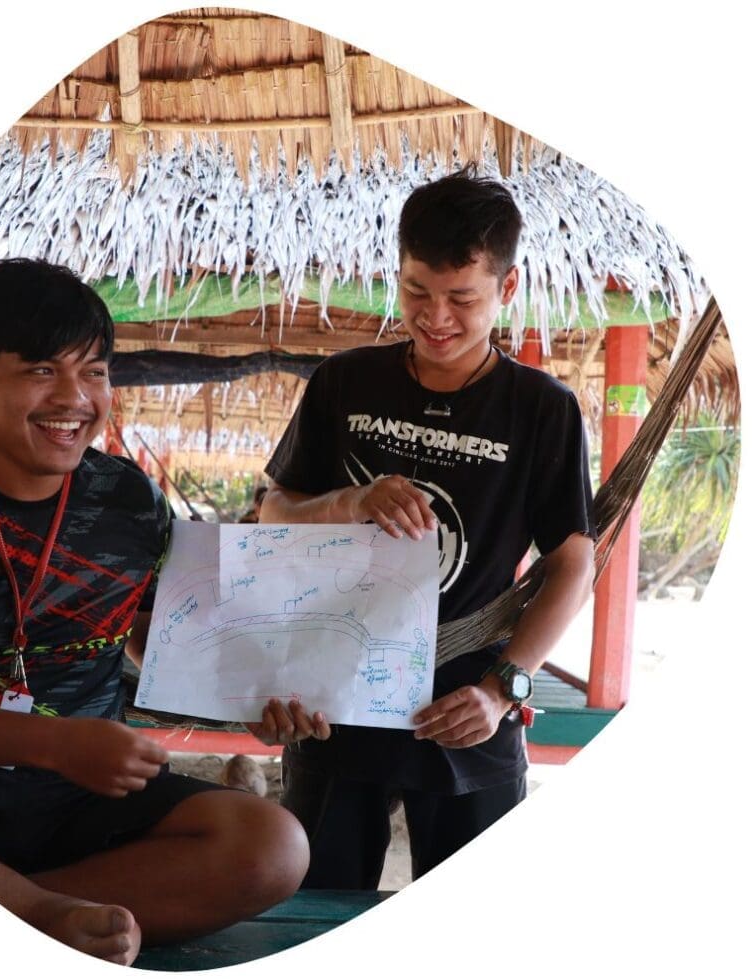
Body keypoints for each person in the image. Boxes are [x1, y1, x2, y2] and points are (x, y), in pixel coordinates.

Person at [0, 258, 310, 965]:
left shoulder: (128, 499)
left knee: (274, 846)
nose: (75, 397)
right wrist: (50, 743)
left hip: (81, 798)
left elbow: (164, 642)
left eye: (96, 371)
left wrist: (259, 694)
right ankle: (42, 914)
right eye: (42, 370)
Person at [258, 169, 596, 888]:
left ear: (505, 290)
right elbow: (273, 515)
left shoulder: (542, 408)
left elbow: (572, 561)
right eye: (416, 291)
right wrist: (348, 504)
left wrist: (505, 689)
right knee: (310, 911)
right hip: (335, 702)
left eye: (462, 298)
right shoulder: (344, 384)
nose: (435, 316)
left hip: (467, 709)